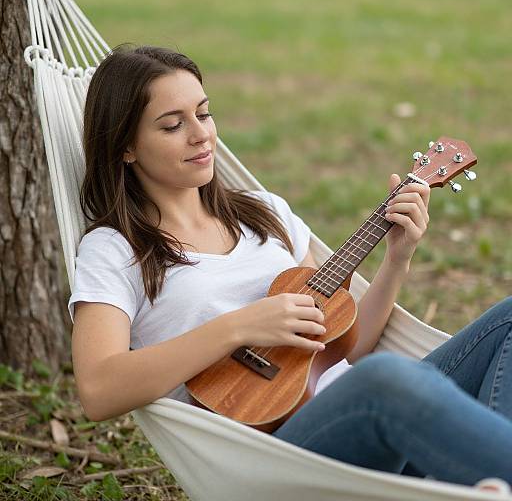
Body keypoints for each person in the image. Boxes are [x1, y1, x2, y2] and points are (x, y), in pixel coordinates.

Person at [70, 44, 512, 488]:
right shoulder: (113, 250)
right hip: (281, 463)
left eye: (203, 114)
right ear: (126, 146)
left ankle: (489, 476)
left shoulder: (265, 212)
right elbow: (99, 389)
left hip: (369, 420)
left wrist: (398, 259)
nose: (200, 135)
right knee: (388, 377)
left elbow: (339, 350)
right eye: (172, 125)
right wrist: (238, 327)